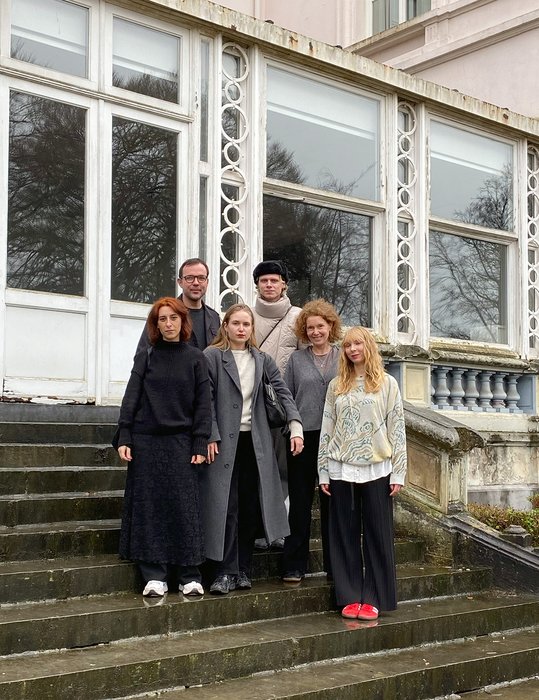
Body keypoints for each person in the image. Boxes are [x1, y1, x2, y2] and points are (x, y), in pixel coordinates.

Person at [202, 304, 304, 595]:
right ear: (226, 326)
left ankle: (243, 570)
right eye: (236, 323)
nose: (241, 329)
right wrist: (210, 434)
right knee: (226, 507)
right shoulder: (211, 357)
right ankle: (224, 571)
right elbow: (205, 400)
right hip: (223, 444)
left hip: (254, 444)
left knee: (248, 508)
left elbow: (282, 392)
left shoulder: (262, 359)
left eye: (246, 324)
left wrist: (295, 424)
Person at [117, 296, 211, 598]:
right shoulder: (146, 356)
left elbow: (203, 405)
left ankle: (189, 575)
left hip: (182, 443)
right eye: (162, 319)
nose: (168, 324)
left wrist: (200, 440)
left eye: (173, 318)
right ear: (155, 325)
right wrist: (124, 436)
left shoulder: (197, 358)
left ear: (183, 322)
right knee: (150, 509)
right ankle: (154, 575)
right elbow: (131, 397)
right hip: (146, 442)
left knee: (185, 508)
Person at [318, 326, 407, 621]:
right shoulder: (337, 385)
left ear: (368, 346)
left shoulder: (387, 384)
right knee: (343, 533)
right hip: (341, 467)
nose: (352, 349)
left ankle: (374, 597)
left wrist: (398, 473)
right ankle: (348, 595)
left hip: (377, 467)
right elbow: (326, 429)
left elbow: (397, 429)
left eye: (358, 343)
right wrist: (323, 471)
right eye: (347, 345)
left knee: (377, 534)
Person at [281, 299, 342, 583]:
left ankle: (336, 565)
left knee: (334, 505)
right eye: (310, 327)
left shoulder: (344, 357)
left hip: (336, 439)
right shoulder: (296, 359)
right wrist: (293, 428)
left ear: (330, 326)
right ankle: (295, 565)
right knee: (301, 502)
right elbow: (287, 398)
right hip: (302, 438)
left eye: (321, 326)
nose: (316, 331)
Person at [251, 260, 302, 548]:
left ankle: (281, 529)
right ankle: (260, 528)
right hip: (253, 407)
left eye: (274, 280)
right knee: (259, 468)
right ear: (257, 285)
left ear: (284, 284)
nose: (269, 285)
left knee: (283, 470)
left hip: (285, 407)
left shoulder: (298, 317)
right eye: (264, 281)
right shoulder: (245, 316)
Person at [136, 258, 220, 353]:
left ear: (207, 282)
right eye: (189, 278)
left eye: (201, 278)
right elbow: (142, 355)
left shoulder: (214, 318)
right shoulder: (162, 313)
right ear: (180, 282)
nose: (196, 283)